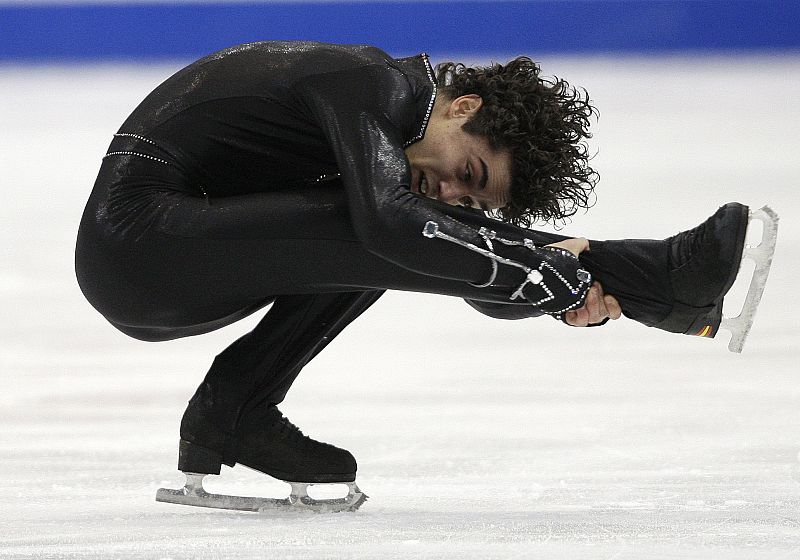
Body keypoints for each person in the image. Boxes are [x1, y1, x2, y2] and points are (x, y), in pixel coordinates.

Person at [74, 41, 761, 511]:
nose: (456, 194)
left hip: (169, 257)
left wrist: (549, 278)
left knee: (395, 225)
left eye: (474, 200)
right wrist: (545, 276)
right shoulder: (367, 84)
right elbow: (391, 229)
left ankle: (233, 412)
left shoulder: (394, 134)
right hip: (136, 246)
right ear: (462, 108)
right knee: (385, 222)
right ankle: (664, 281)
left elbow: (446, 266)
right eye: (469, 174)